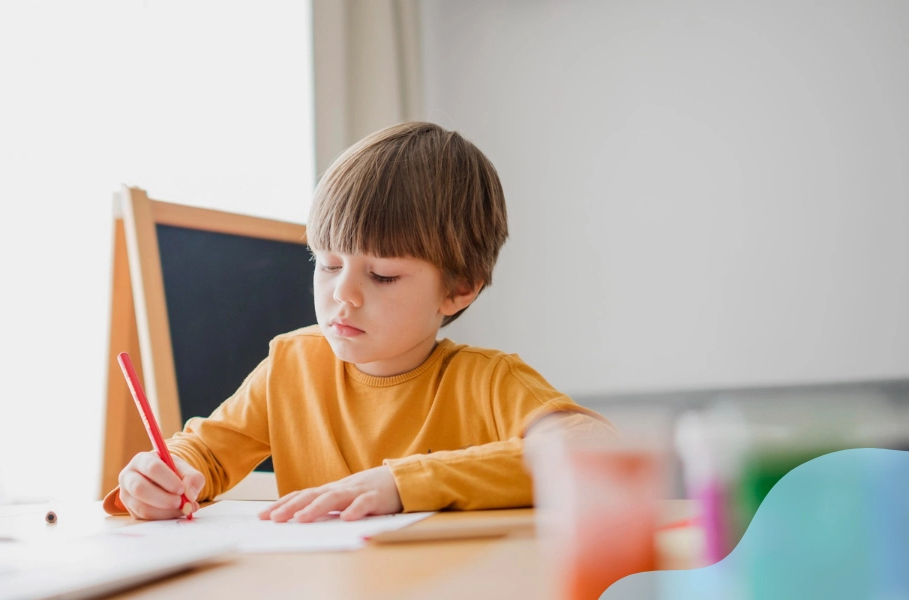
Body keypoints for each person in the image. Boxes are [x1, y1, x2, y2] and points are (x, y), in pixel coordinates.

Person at [104, 121, 613, 522]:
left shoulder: (486, 381)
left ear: (459, 289)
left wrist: (402, 484)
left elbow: (594, 451)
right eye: (327, 264)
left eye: (383, 275)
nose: (342, 293)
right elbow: (206, 452)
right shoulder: (291, 365)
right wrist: (166, 476)